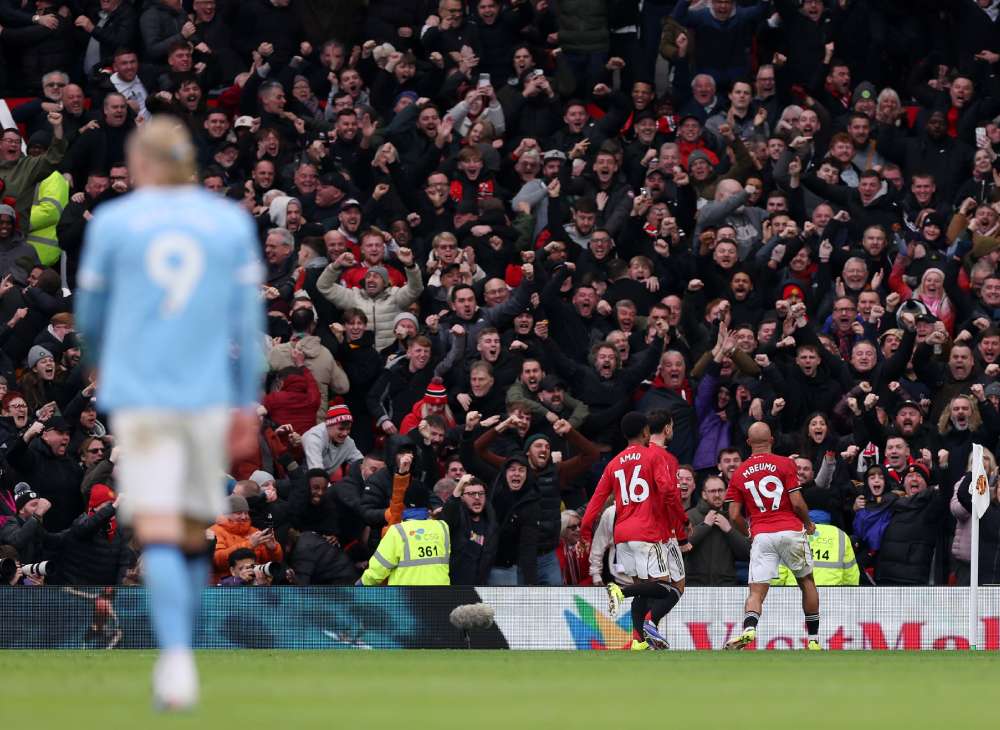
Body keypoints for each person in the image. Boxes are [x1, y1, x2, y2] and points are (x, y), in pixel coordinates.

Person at [74, 117, 265, 711]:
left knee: (158, 531)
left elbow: (90, 314)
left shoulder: (114, 221)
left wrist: (102, 368)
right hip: (205, 393)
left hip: (143, 394)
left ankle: (175, 658)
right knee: (190, 530)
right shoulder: (229, 221)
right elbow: (246, 319)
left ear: (139, 165)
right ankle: (182, 652)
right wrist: (245, 398)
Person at [580, 412, 689, 651]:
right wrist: (683, 522)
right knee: (664, 586)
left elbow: (596, 501)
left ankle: (639, 641)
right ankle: (620, 591)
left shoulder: (613, 463)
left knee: (643, 590)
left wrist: (585, 532)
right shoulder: (653, 456)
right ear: (646, 432)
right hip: (648, 532)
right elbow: (668, 492)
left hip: (622, 536)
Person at [724, 422, 820, 651]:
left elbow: (733, 515)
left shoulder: (739, 472)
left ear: (748, 443)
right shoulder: (785, 463)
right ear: (771, 440)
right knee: (806, 581)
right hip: (790, 530)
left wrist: (749, 532)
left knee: (756, 591)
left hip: (762, 535)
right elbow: (797, 503)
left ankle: (749, 628)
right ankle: (813, 640)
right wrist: (808, 523)